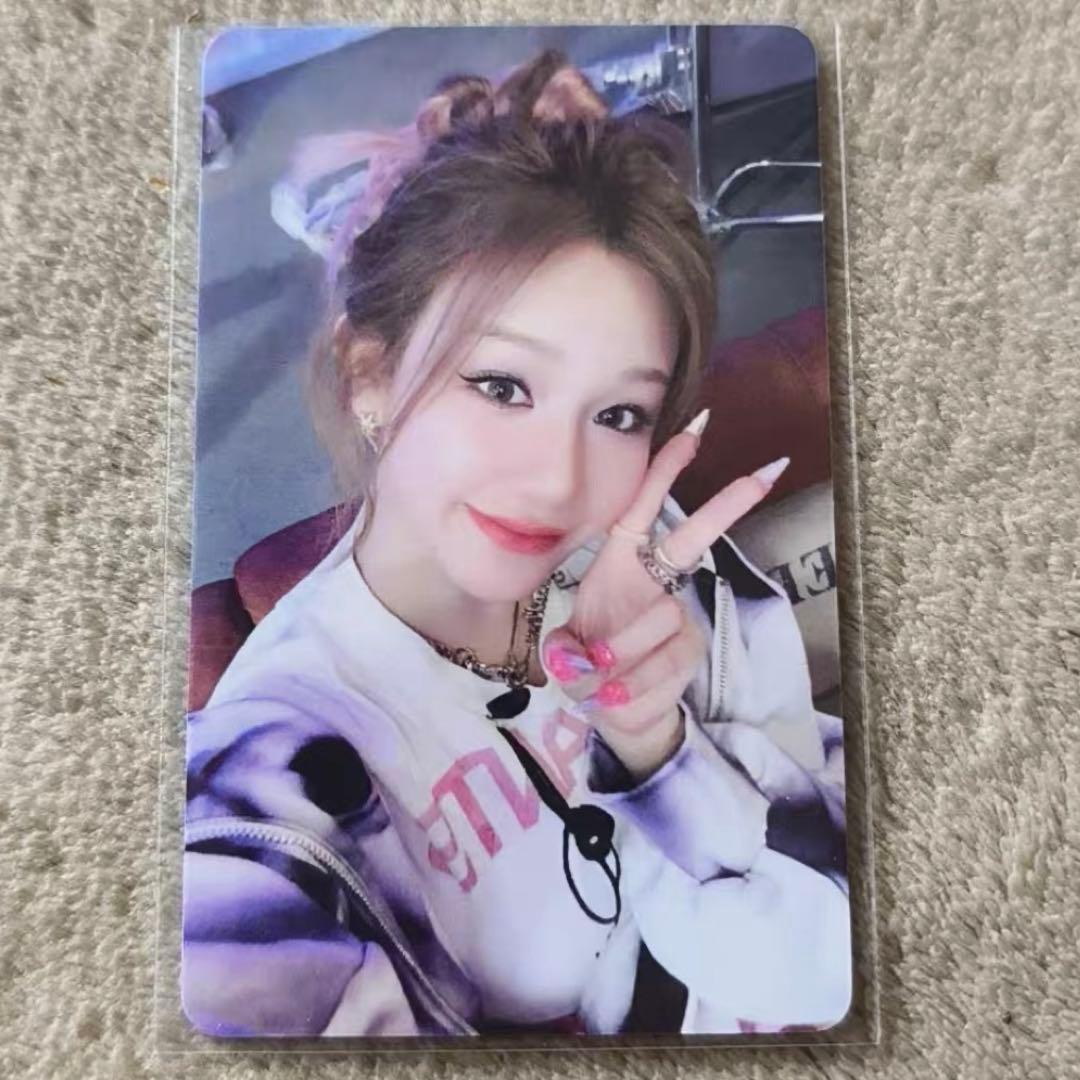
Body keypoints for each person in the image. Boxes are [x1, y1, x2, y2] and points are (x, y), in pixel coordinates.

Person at [181, 48, 851, 1039]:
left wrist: (656, 746)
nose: (560, 481)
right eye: (502, 386)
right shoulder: (274, 783)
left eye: (619, 414)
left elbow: (820, 970)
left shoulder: (653, 551)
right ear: (369, 375)